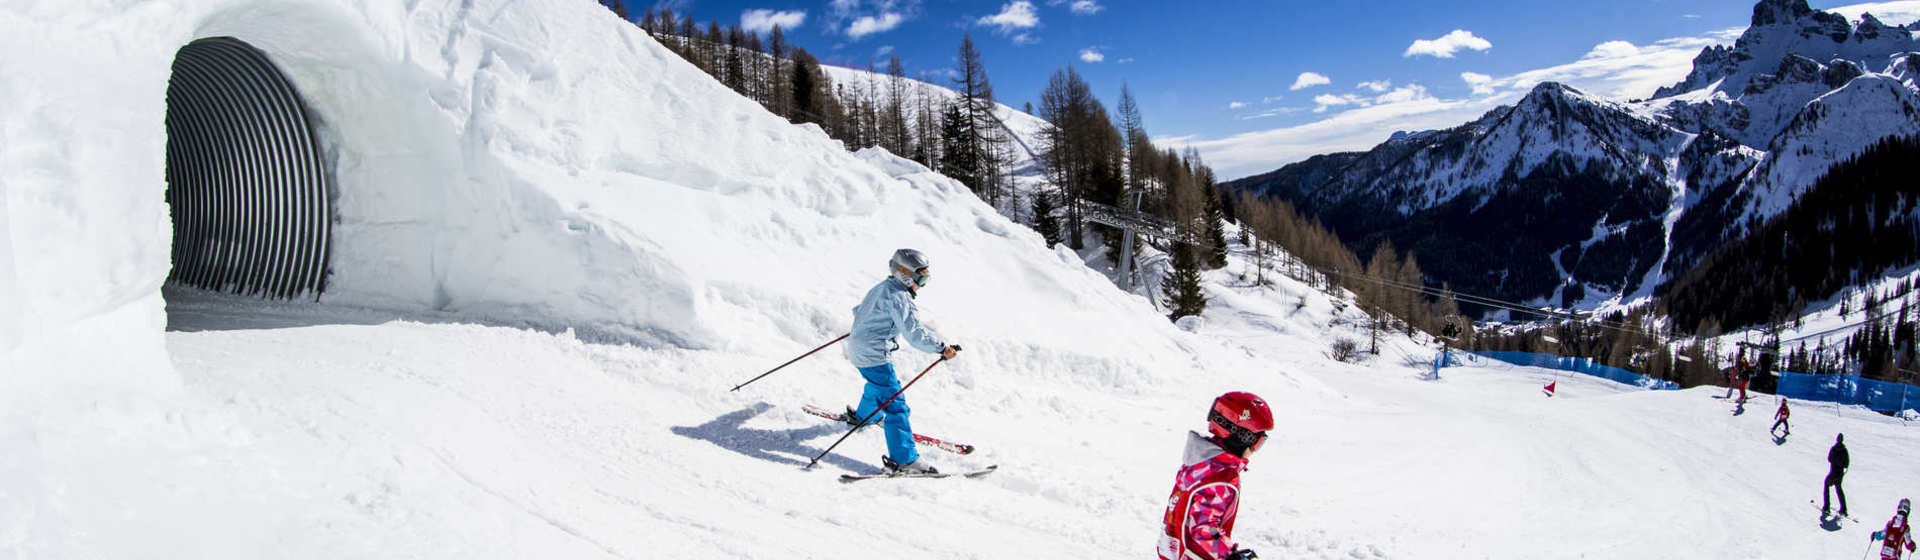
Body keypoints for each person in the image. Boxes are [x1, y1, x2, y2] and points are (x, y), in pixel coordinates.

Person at [841, 248, 959, 475]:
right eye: (921, 278)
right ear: (906, 274)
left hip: (858, 348)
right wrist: (942, 348)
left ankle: (864, 417)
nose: (922, 284)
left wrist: (867, 327)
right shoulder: (900, 297)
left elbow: (860, 311)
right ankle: (904, 460)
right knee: (895, 404)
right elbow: (914, 334)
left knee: (877, 386)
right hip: (873, 354)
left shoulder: (882, 287)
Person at [1157, 392, 1274, 560]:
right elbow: (1203, 528)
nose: (1256, 449)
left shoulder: (1201, 463)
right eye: (1259, 442)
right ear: (1242, 437)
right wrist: (1231, 556)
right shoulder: (1220, 478)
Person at [1825, 433, 1850, 517]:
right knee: (1839, 489)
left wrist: (1835, 461)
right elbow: (1846, 464)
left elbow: (1829, 459)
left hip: (1833, 472)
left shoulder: (1834, 449)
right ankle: (1843, 509)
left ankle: (1826, 507)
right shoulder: (1845, 450)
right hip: (1840, 474)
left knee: (1826, 486)